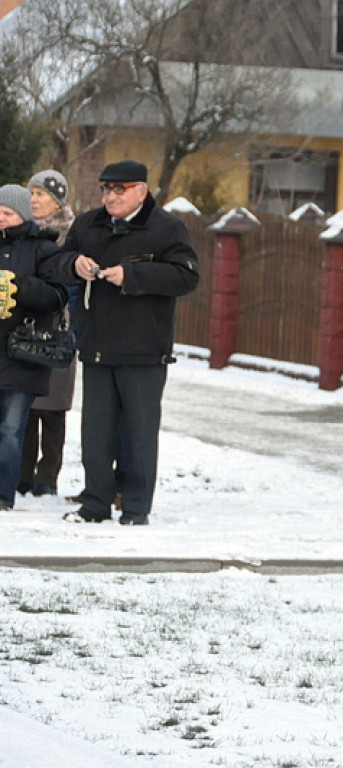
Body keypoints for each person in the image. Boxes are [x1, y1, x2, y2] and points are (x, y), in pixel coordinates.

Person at [53, 160, 199, 526]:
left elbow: (186, 277)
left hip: (145, 349)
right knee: (96, 434)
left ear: (141, 191)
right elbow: (57, 263)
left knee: (139, 433)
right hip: (97, 344)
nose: (111, 196)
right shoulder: (88, 224)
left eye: (120, 189)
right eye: (106, 188)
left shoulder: (166, 228)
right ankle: (95, 503)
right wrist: (75, 265)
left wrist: (132, 275)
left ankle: (135, 507)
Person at [0, 184, 67, 511]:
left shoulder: (44, 250)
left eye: (7, 212)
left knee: (11, 429)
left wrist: (18, 285)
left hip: (21, 354)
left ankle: (2, 495)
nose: (0, 217)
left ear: (23, 215)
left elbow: (56, 296)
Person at [18, 170, 77, 498]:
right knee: (25, 402)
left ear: (57, 200)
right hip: (24, 328)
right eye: (32, 193)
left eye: (41, 194)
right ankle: (22, 473)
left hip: (60, 329)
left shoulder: (72, 235)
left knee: (53, 408)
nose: (34, 200)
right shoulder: (22, 233)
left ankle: (47, 476)